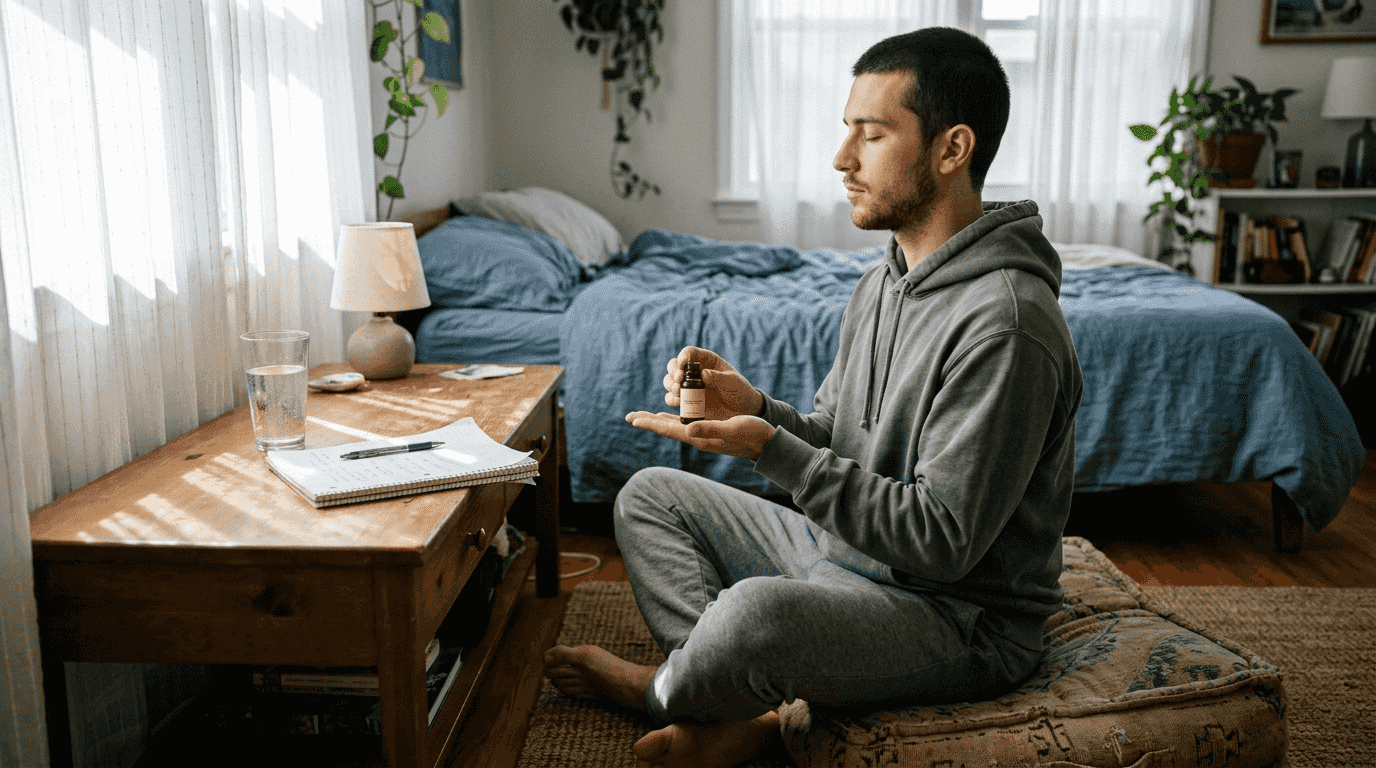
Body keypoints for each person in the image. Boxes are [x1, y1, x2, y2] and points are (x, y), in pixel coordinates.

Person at [544, 26, 1083, 768]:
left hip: (956, 615)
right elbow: (835, 433)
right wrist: (758, 410)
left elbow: (943, 543)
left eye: (872, 134)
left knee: (751, 617)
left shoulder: (1008, 325)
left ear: (951, 149)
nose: (842, 160)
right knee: (649, 497)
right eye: (846, 132)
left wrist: (772, 451)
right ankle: (726, 700)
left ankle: (667, 690)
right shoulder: (882, 281)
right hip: (847, 556)